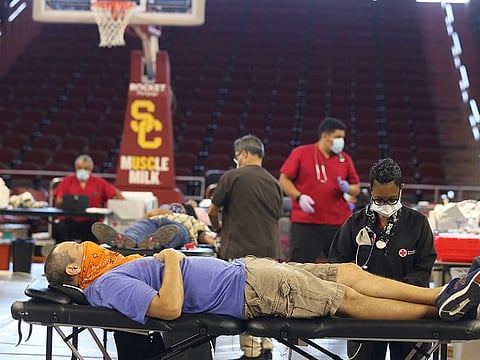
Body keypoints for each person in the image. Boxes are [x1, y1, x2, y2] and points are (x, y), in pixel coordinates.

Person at [44, 241, 480, 327]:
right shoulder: (107, 284)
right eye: (78, 249)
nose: (88, 245)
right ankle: (440, 313)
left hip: (248, 271)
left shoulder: (113, 269)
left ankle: (443, 294)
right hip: (250, 291)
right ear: (71, 270)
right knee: (342, 297)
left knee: (347, 272)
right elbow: (168, 309)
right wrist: (173, 260)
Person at [328, 158, 437, 360]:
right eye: (379, 200)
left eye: (391, 199)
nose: (385, 205)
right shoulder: (355, 223)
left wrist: (397, 294)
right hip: (364, 312)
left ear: (401, 190)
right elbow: (336, 263)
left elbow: (424, 266)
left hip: (407, 309)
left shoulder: (418, 223)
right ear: (370, 190)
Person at [208, 134, 283, 360]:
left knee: (244, 300)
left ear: (243, 154)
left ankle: (251, 352)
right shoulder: (274, 182)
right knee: (267, 299)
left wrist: (218, 228)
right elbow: (276, 215)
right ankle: (268, 345)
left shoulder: (233, 176)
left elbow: (212, 210)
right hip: (270, 250)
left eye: (237, 155)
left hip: (241, 250)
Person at [279, 116, 361, 263]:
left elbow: (356, 189)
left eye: (342, 137)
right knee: (299, 268)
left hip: (337, 222)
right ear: (325, 136)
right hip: (306, 223)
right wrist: (299, 197)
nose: (341, 141)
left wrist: (348, 188)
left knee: (342, 267)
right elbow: (284, 179)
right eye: (337, 137)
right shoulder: (301, 153)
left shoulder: (345, 159)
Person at [53, 154, 124, 243]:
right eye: (79, 168)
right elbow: (58, 201)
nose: (82, 170)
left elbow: (116, 193)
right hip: (69, 221)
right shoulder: (67, 181)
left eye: (85, 168)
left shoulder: (99, 182)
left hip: (90, 222)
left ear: (91, 169)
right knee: (60, 229)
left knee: (97, 230)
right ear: (75, 168)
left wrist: (118, 205)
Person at [92, 202, 219, 250]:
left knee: (177, 232)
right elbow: (142, 220)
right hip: (154, 222)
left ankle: (156, 242)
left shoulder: (192, 220)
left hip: (180, 227)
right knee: (138, 228)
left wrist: (214, 242)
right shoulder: (161, 211)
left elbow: (204, 235)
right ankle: (122, 240)